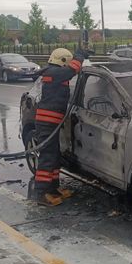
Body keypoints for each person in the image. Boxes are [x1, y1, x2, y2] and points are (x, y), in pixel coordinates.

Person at [29, 48, 85, 206]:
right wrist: (80, 57)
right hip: (47, 122)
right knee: (47, 157)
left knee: (54, 156)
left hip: (52, 122)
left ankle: (53, 189)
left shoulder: (53, 72)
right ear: (63, 61)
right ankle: (42, 193)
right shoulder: (54, 72)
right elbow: (73, 69)